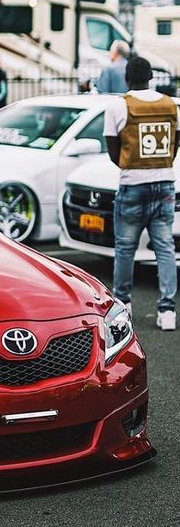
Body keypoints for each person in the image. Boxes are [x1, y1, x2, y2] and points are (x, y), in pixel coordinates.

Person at [104, 56, 179, 330]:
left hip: (133, 183)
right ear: (151, 77)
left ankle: (123, 305)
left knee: (125, 248)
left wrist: (131, 164)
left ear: (127, 77)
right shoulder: (170, 104)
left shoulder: (118, 106)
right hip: (165, 183)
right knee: (165, 248)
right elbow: (175, 144)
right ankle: (167, 310)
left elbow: (113, 150)